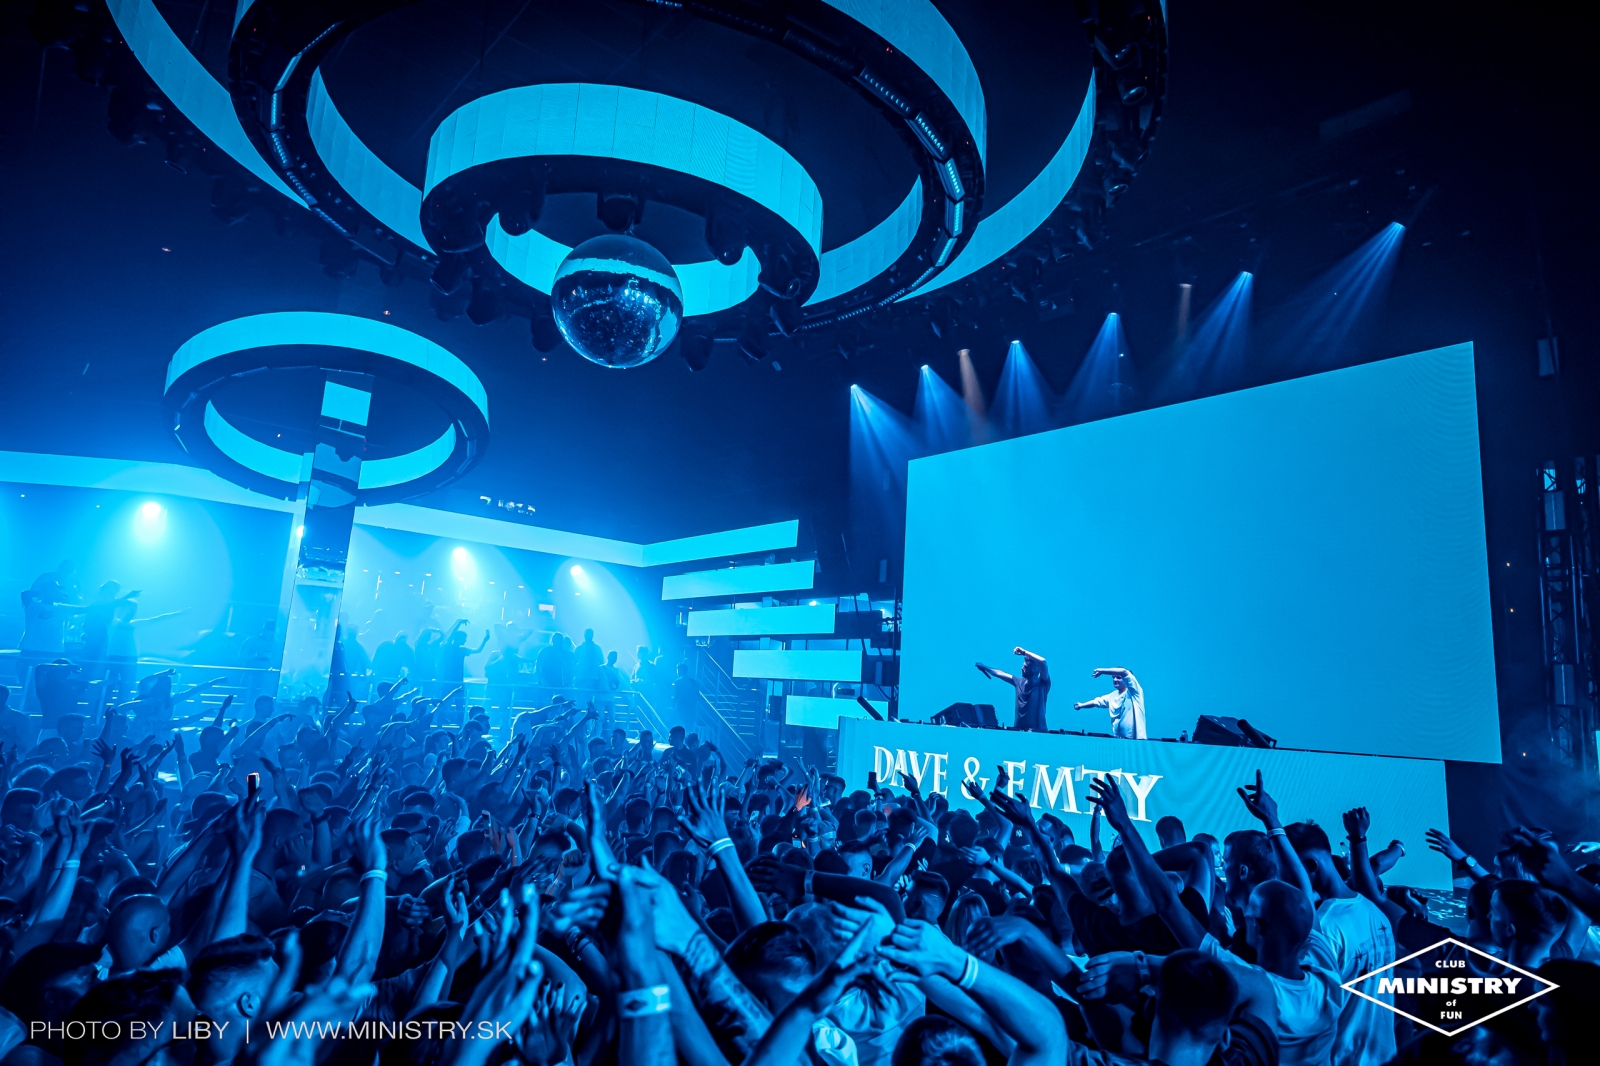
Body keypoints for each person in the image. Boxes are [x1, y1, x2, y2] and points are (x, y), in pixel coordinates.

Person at [975, 647, 1051, 731]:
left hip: (1038, 733)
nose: (1022, 668)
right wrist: (985, 667)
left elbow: (1043, 662)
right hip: (1019, 732)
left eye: (1025, 667)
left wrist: (1024, 652)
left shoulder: (1042, 685)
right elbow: (1000, 673)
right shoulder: (1018, 682)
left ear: (1035, 669)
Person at [1073, 667, 1146, 739]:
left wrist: (1102, 671)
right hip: (1119, 739)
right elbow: (1096, 702)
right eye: (1113, 677)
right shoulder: (1112, 696)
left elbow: (1124, 671)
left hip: (1135, 740)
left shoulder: (1134, 692)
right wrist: (1081, 705)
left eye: (1118, 677)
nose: (1115, 680)